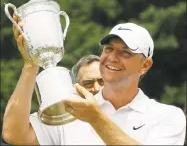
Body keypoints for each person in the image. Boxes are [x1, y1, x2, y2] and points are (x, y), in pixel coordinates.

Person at [2, 19, 186, 145]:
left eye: (125, 52)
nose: (112, 57)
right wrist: (30, 64)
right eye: (108, 49)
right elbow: (14, 134)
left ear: (145, 65)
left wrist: (95, 118)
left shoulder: (167, 116)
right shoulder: (73, 108)